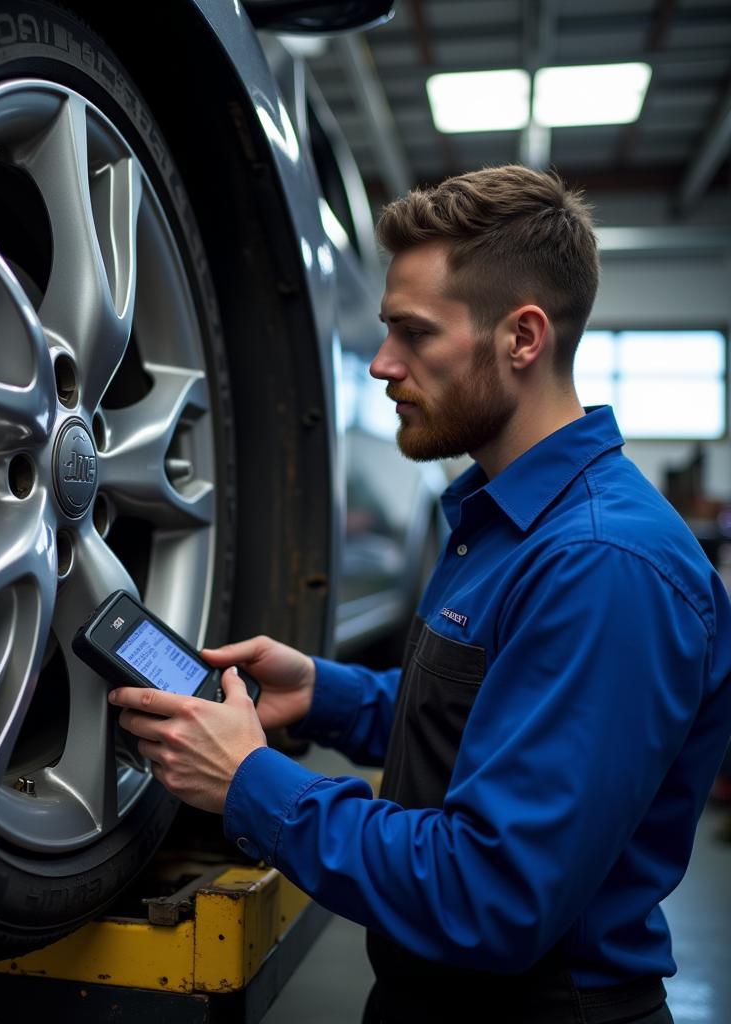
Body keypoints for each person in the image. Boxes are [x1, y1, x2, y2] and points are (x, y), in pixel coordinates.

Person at [108, 165, 731, 1023]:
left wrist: (249, 780)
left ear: (523, 338)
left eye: (415, 334)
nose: (380, 365)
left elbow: (491, 896)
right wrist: (329, 694)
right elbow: (499, 714)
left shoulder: (603, 563)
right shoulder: (504, 517)